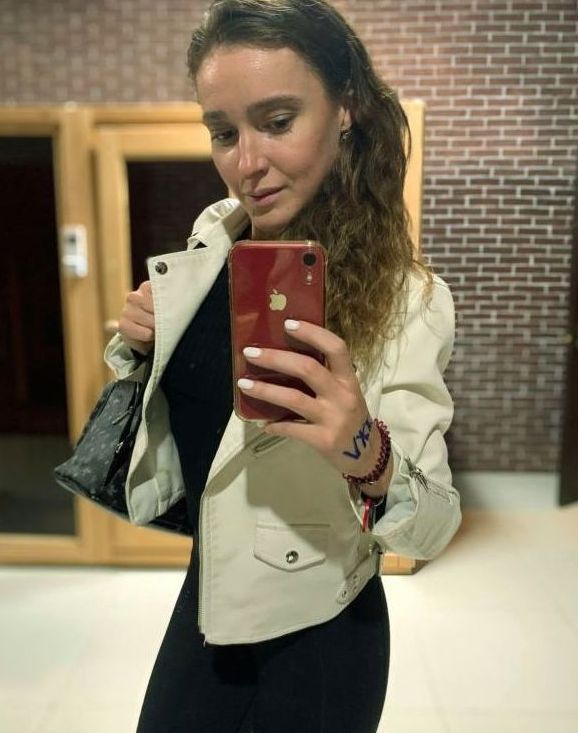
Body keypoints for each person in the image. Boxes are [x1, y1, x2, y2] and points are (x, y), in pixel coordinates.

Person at [104, 1, 462, 731]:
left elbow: (433, 526)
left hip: (319, 635)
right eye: (223, 132)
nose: (246, 163)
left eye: (276, 121)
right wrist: (139, 347)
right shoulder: (210, 247)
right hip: (206, 604)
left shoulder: (408, 299)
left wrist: (364, 451)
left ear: (344, 111)